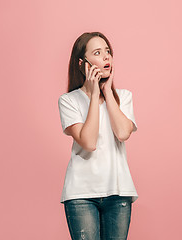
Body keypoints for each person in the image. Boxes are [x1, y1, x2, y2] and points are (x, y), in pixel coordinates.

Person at [58, 31, 138, 240]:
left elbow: (122, 132)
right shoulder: (69, 101)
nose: (106, 57)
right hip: (81, 195)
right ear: (82, 63)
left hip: (118, 192)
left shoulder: (124, 96)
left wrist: (107, 91)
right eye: (97, 52)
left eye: (108, 52)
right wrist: (94, 95)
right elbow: (89, 142)